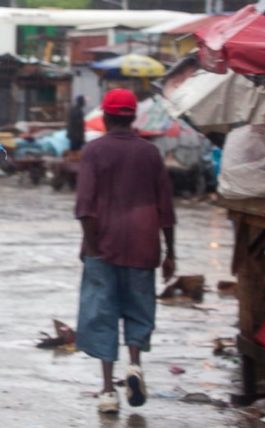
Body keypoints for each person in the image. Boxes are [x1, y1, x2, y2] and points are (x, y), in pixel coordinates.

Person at [74, 88, 176, 414]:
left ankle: (107, 392)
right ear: (133, 118)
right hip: (145, 244)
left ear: (104, 117)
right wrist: (171, 252)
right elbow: (166, 208)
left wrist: (90, 246)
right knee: (138, 310)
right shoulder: (151, 154)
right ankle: (134, 365)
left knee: (102, 316)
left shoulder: (93, 152)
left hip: (102, 244)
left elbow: (85, 207)